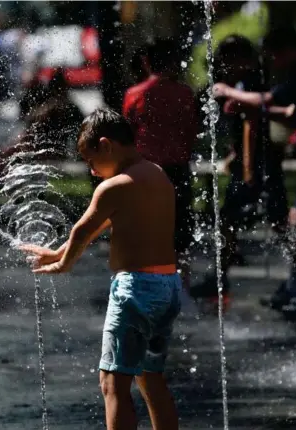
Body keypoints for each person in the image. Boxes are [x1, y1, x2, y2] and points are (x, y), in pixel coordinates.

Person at [19, 109, 181, 430]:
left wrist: (64, 265)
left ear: (106, 146)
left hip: (135, 290)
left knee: (112, 383)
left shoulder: (112, 187)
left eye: (91, 160)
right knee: (150, 378)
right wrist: (58, 251)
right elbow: (103, 224)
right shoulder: (156, 174)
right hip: (167, 286)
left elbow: (81, 230)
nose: (91, 171)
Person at [213, 27, 296, 311]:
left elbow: (269, 101)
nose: (272, 62)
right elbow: (290, 112)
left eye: (273, 55)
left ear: (286, 50)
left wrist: (228, 92)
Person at [193, 35, 290, 300]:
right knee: (265, 220)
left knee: (259, 220)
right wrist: (236, 155)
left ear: (239, 58)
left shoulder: (249, 81)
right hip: (259, 161)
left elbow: (252, 124)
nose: (223, 66)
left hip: (258, 164)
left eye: (227, 60)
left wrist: (247, 167)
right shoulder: (248, 81)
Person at [122, 38, 198, 296]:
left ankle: (147, 288)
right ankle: (181, 289)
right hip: (177, 170)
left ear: (146, 62)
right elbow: (191, 132)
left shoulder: (135, 95)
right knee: (180, 234)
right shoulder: (185, 94)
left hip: (145, 173)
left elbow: (128, 136)